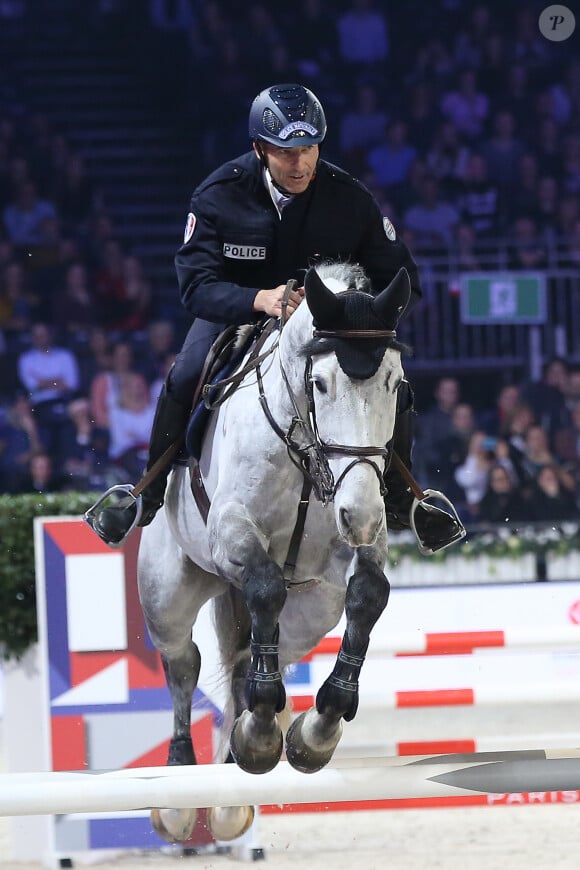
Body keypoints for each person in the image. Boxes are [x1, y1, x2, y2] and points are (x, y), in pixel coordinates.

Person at [91, 83, 464, 552]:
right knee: (185, 373)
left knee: (394, 383)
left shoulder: (350, 197)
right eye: (287, 152)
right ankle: (148, 492)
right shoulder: (218, 194)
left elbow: (403, 275)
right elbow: (195, 287)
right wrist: (258, 299)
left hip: (327, 324)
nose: (300, 163)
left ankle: (403, 499)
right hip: (238, 315)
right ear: (259, 149)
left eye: (308, 149)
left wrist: (365, 315)